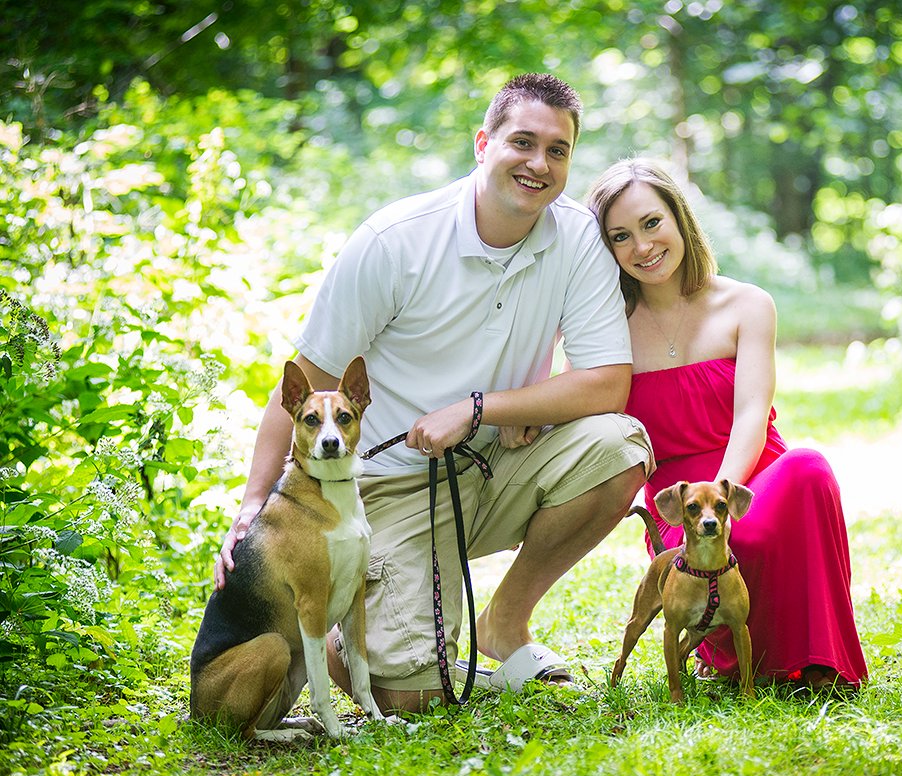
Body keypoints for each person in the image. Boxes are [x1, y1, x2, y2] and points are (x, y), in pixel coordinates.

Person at [214, 74, 653, 715]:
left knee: (619, 447)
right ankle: (347, 627)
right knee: (408, 699)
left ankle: (505, 621)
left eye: (557, 151)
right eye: (522, 142)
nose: (538, 164)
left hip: (498, 461)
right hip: (394, 484)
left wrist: (483, 408)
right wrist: (253, 504)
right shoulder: (395, 242)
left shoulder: (578, 236)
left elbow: (609, 384)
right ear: (483, 143)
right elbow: (304, 381)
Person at [586, 158, 867, 690]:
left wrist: (724, 501)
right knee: (723, 548)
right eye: (621, 236)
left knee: (807, 469)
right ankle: (746, 663)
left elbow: (751, 416)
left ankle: (818, 662)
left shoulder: (746, 304)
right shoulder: (604, 329)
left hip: (750, 478)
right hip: (682, 504)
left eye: (652, 223)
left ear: (679, 218)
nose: (643, 247)